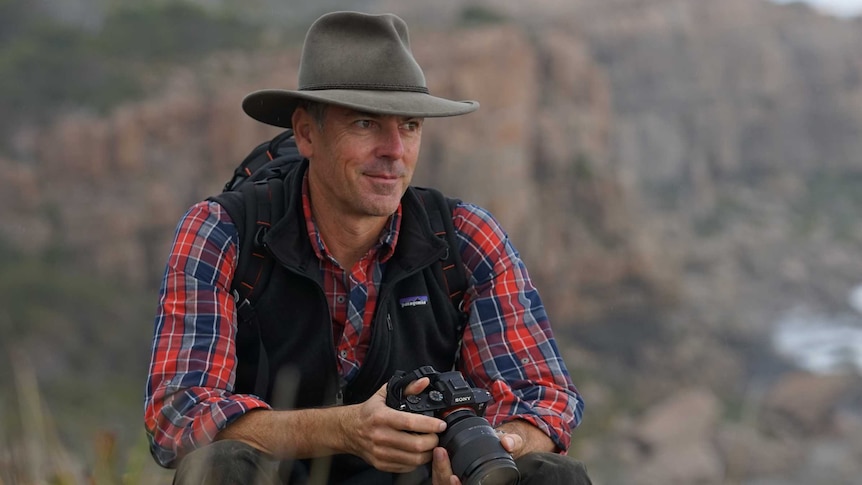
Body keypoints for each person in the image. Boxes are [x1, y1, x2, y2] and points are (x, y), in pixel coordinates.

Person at [145, 10, 591, 485]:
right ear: (306, 132)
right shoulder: (223, 230)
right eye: (365, 123)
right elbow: (178, 416)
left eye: (411, 125)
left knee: (552, 476)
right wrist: (344, 430)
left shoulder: (465, 237)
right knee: (219, 467)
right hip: (276, 476)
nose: (394, 150)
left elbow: (545, 398)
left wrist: (490, 451)